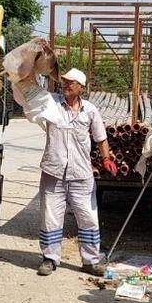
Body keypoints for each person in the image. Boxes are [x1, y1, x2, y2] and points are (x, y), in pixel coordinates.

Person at [16, 67, 117, 276]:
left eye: (71, 83)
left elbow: (100, 137)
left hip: (81, 174)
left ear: (81, 87)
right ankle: (50, 259)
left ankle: (90, 260)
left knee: (88, 217)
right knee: (50, 217)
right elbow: (30, 90)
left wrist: (106, 158)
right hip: (53, 172)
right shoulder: (51, 103)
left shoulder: (89, 110)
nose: (66, 85)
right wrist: (28, 68)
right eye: (64, 82)